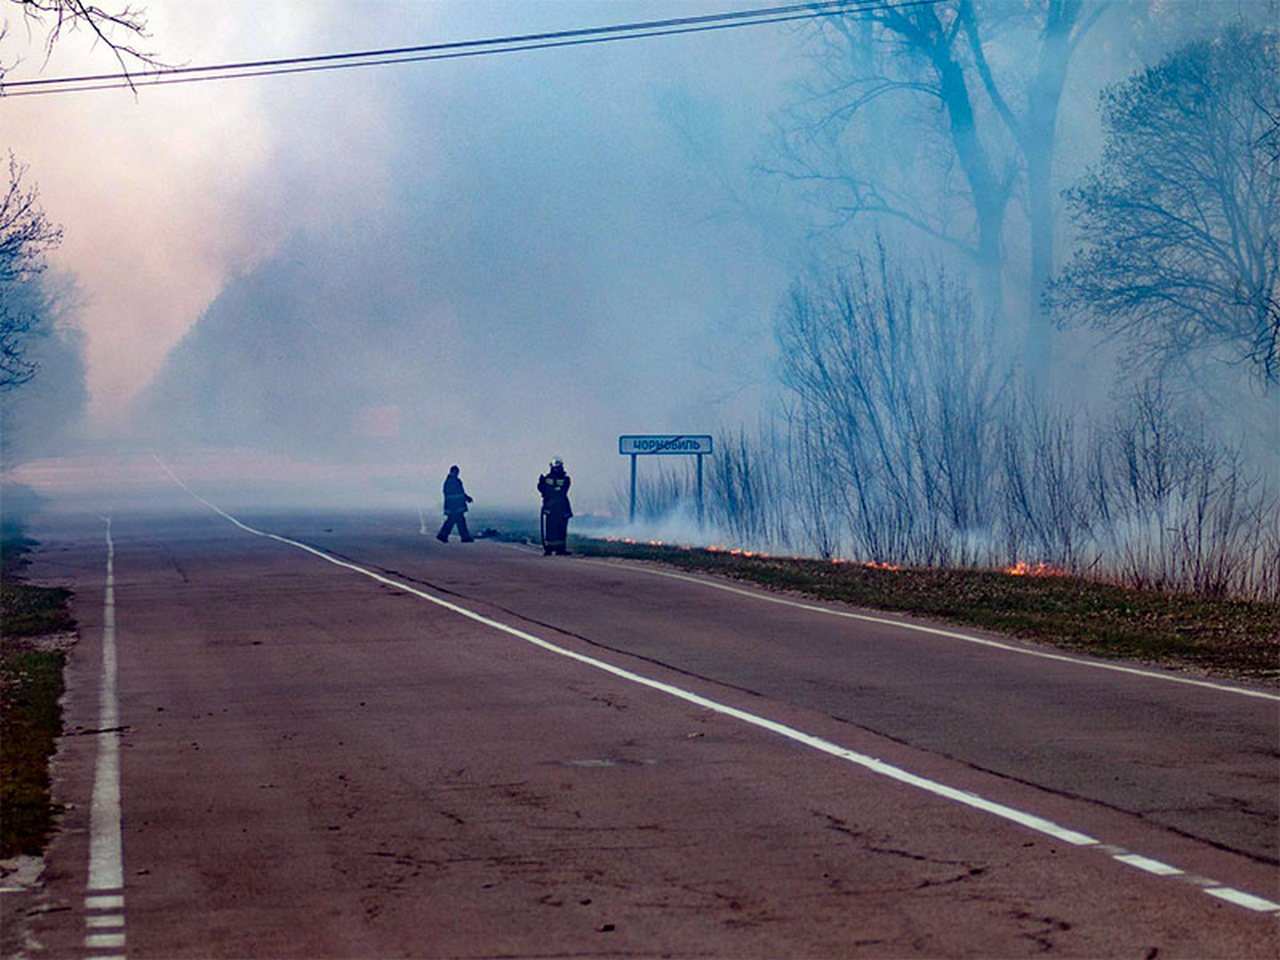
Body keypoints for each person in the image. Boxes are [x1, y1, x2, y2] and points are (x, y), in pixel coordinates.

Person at [537, 457, 573, 555]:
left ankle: (554, 548)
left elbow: (544, 490)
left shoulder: (548, 479)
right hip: (559, 507)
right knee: (557, 529)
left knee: (553, 528)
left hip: (553, 507)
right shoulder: (564, 479)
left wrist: (541, 483)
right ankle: (554, 548)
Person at [436, 465, 474, 543]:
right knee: (457, 521)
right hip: (454, 506)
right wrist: (465, 498)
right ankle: (464, 537)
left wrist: (466, 498)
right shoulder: (451, 482)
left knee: (454, 521)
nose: (457, 474)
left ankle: (443, 535)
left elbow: (461, 493)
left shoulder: (455, 481)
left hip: (456, 506)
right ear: (451, 472)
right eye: (455, 472)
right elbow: (453, 494)